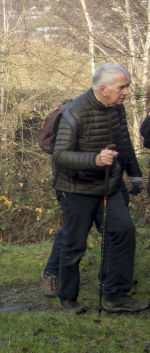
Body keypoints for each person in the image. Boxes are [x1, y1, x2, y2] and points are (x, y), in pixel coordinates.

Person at [52, 63, 148, 313]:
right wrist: (94, 159)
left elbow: (124, 142)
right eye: (122, 87)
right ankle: (67, 300)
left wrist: (135, 175)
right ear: (103, 89)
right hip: (76, 189)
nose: (126, 91)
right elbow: (59, 155)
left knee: (123, 231)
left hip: (109, 186)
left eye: (127, 86)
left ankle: (115, 296)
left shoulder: (117, 107)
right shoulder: (75, 112)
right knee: (75, 245)